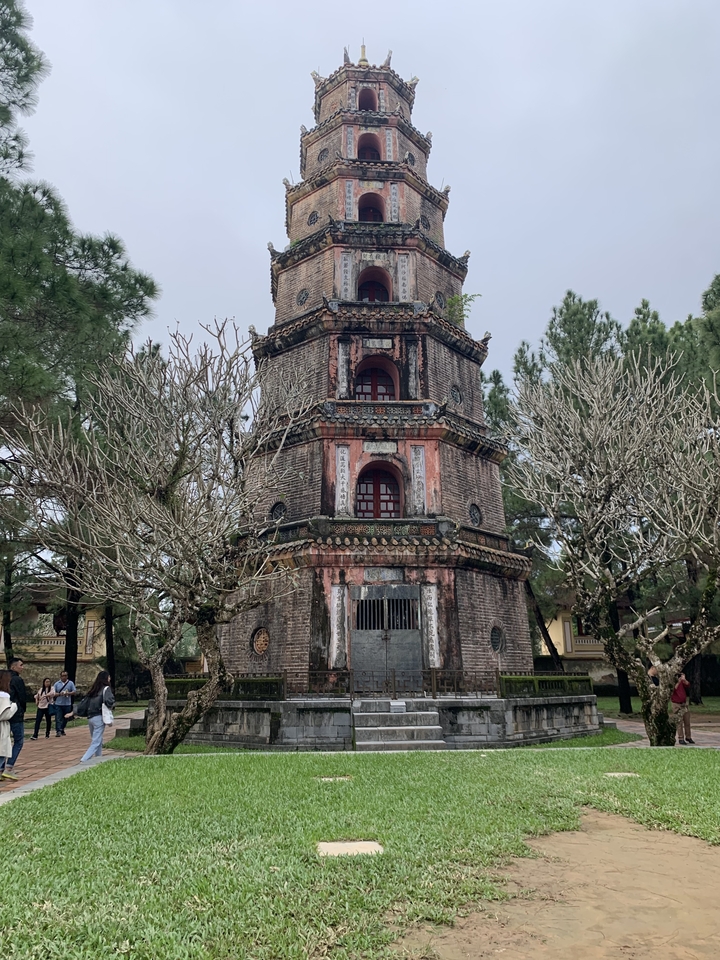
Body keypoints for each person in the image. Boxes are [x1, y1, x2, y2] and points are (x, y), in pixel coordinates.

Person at [66, 670, 115, 763]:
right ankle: (84, 759)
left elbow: (83, 703)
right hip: (99, 718)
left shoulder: (93, 690)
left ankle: (98, 758)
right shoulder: (106, 689)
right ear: (106, 678)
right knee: (96, 741)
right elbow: (109, 701)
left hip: (91, 718)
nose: (110, 678)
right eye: (108, 677)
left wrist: (73, 712)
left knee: (98, 739)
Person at [0, 657, 26, 781]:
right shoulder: (17, 679)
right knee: (19, 740)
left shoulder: (4, 678)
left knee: (3, 740)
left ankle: (1, 768)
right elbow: (21, 697)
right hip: (14, 713)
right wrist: (21, 710)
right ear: (13, 666)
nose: (23, 667)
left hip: (3, 715)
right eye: (21, 665)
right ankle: (9, 767)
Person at [0, 670, 18, 779]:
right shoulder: (4, 696)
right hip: (1, 727)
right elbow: (5, 714)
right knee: (1, 752)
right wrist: (14, 707)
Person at [671, 672, 695, 745]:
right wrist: (677, 681)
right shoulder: (671, 681)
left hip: (684, 703)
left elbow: (688, 685)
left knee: (687, 721)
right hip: (676, 704)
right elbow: (674, 689)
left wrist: (684, 680)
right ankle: (681, 738)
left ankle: (688, 736)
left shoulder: (682, 681)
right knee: (679, 722)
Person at [53, 670, 76, 737]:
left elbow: (74, 691)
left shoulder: (70, 683)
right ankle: (58, 731)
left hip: (67, 703)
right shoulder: (57, 684)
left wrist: (68, 693)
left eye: (65, 675)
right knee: (58, 718)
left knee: (65, 718)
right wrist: (60, 694)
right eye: (62, 676)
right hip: (58, 703)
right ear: (60, 676)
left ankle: (62, 728)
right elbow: (53, 693)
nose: (64, 677)